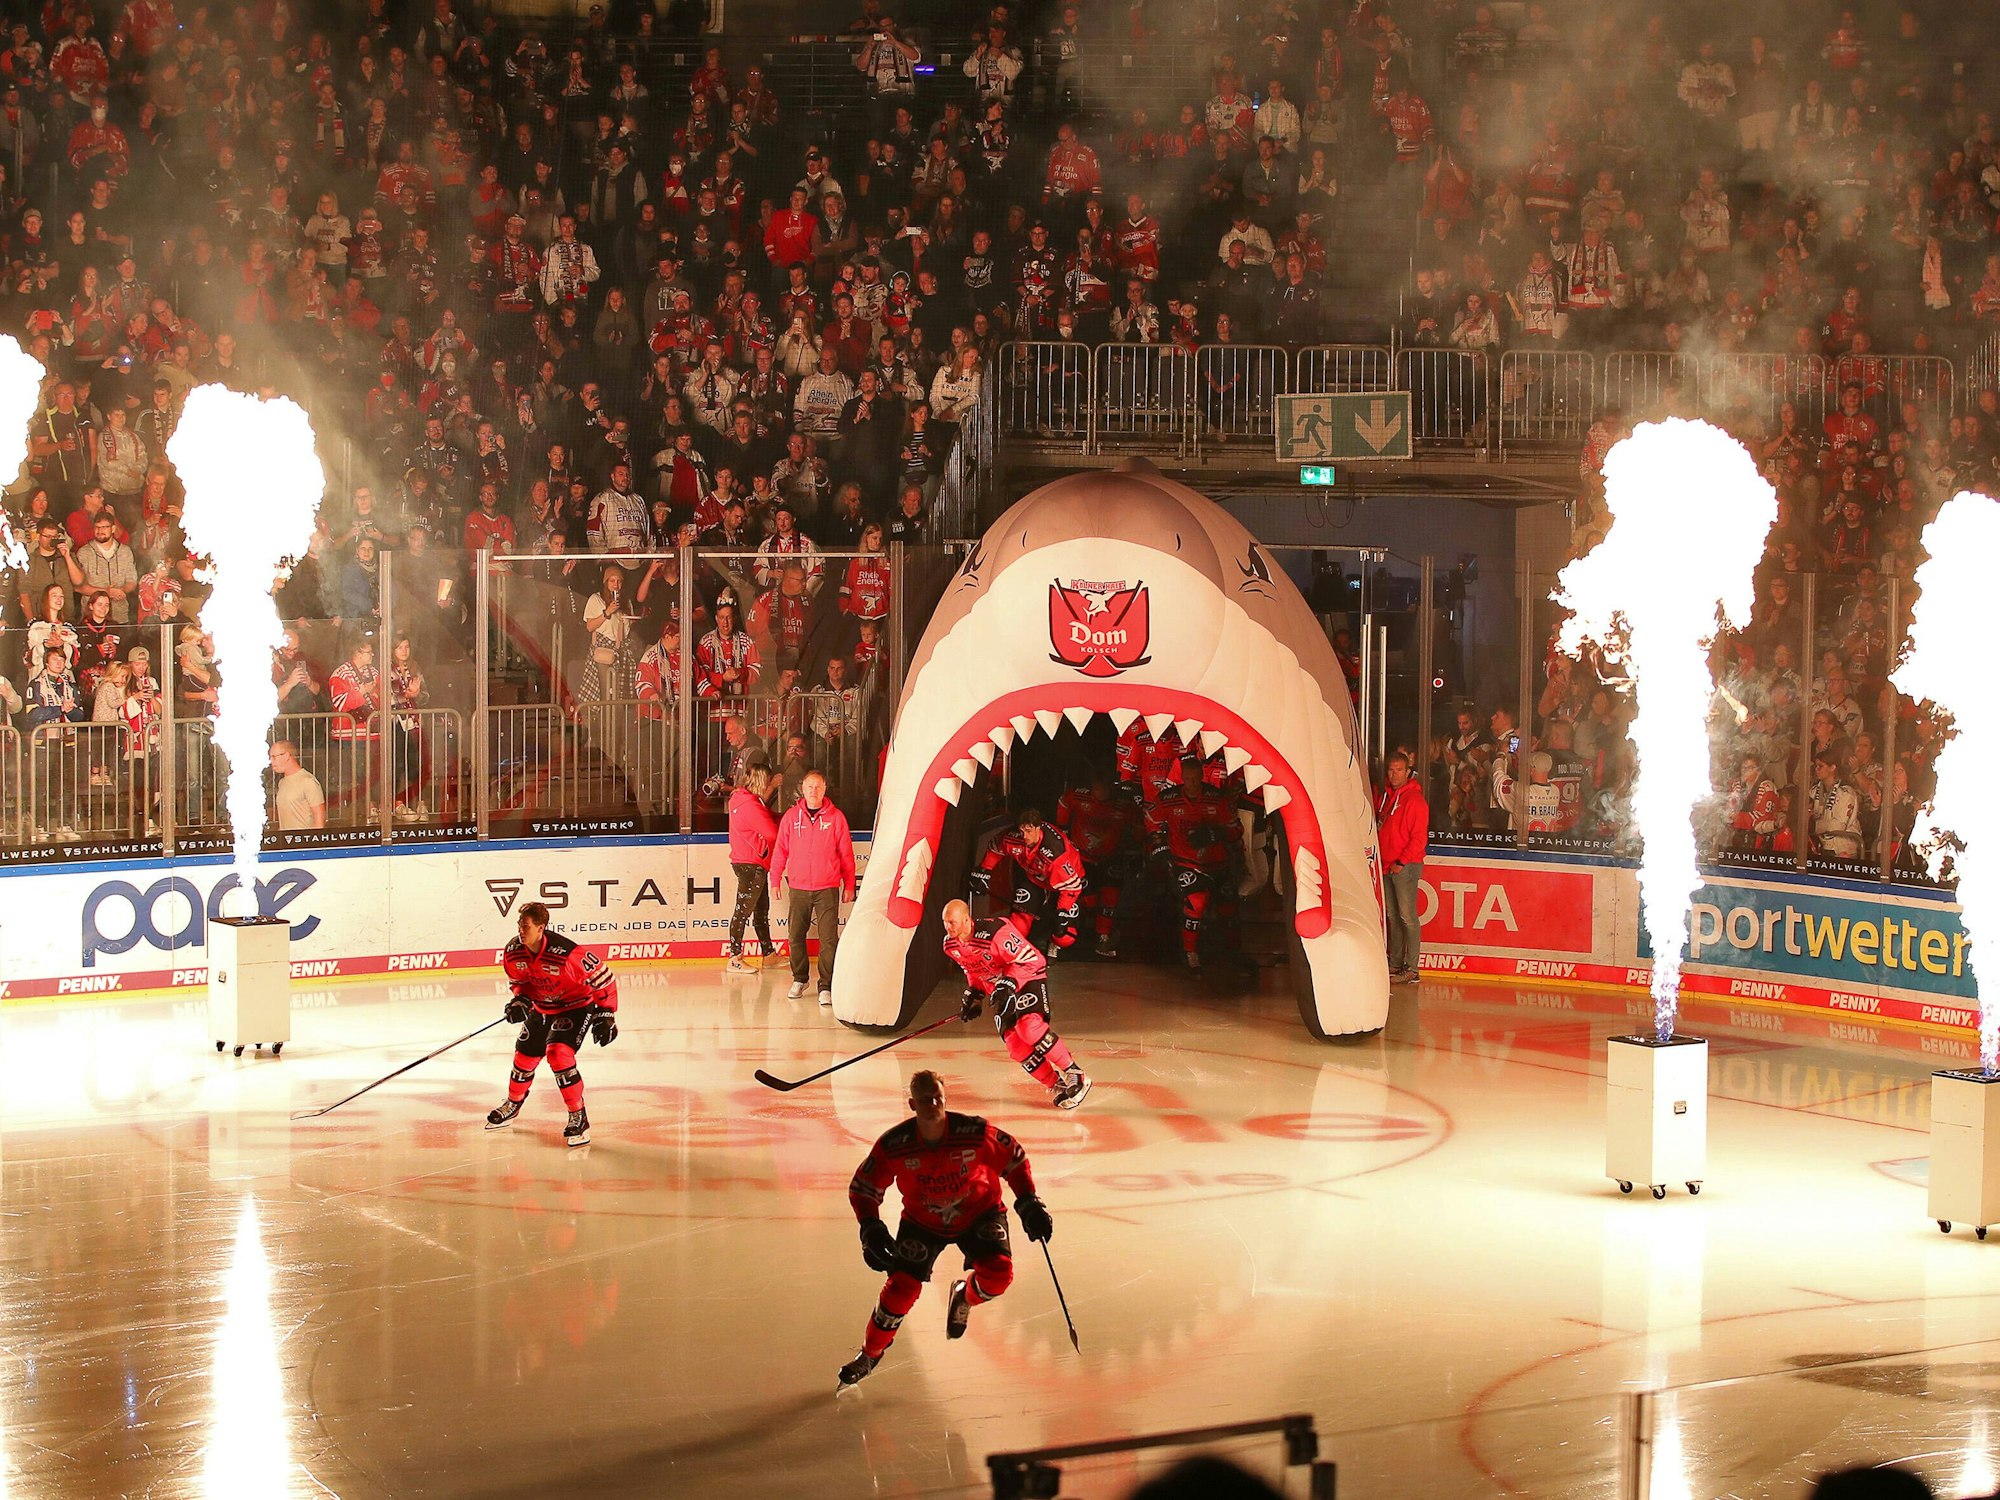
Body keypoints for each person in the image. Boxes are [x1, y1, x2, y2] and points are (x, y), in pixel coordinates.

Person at [838, 1069, 1052, 1389]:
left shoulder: (974, 1132)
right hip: (923, 1222)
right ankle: (870, 1354)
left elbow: (1013, 1157)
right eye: (925, 1099)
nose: (933, 1104)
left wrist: (1029, 1202)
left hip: (980, 1212)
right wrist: (870, 1226)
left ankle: (963, 1297)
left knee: (999, 1275)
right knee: (900, 1290)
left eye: (938, 1097)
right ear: (912, 1104)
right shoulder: (895, 1144)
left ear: (946, 1098)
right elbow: (863, 1187)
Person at [486, 901, 620, 1147]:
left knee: (558, 1055)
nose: (520, 930)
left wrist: (606, 1013)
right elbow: (520, 981)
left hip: (576, 1007)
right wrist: (520, 1000)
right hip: (542, 1008)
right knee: (523, 1057)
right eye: (519, 924)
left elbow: (604, 977)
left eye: (526, 925)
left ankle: (578, 1116)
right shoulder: (514, 950)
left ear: (541, 927)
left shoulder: (566, 952)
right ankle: (513, 1104)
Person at [942, 898, 1091, 1109]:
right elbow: (972, 968)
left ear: (967, 920)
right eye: (945, 922)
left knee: (1029, 1028)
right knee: (1015, 1046)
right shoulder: (950, 945)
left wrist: (1009, 982)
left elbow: (1032, 960)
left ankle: (1075, 1073)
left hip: (1027, 978)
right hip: (1002, 990)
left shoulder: (995, 932)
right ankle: (1055, 1084)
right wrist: (974, 994)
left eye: (952, 922)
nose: (948, 928)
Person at [770, 769, 855, 1004]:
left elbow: (846, 854)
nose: (814, 791)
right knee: (795, 935)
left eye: (818, 787)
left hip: (827, 887)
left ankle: (826, 985)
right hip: (798, 887)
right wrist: (775, 878)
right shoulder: (790, 817)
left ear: (825, 789)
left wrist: (849, 884)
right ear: (803, 789)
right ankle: (800, 978)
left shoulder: (836, 817)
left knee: (828, 939)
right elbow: (780, 851)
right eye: (809, 787)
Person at [969, 808, 1086, 956]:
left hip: (1064, 886)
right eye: (1022, 830)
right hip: (1034, 880)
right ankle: (1013, 954)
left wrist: (1062, 911)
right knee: (1019, 920)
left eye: (1029, 831)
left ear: (1039, 828)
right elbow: (996, 845)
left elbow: (1072, 886)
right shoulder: (1013, 837)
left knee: (1065, 936)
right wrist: (984, 871)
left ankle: (1054, 942)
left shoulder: (1056, 854)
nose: (1025, 836)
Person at [1056, 774, 1143, 957]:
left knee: (1111, 896)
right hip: (1082, 858)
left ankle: (1103, 936)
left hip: (1111, 857)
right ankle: (1073, 932)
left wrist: (1138, 845)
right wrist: (1062, 829)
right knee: (1089, 899)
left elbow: (1138, 823)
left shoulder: (1123, 804)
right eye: (1097, 788)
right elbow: (1064, 802)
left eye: (1104, 788)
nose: (1101, 792)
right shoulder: (1079, 795)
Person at [1375, 748, 1429, 983]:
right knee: (1393, 916)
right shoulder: (1386, 797)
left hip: (1403, 866)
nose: (1394, 774)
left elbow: (1418, 838)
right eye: (1391, 770)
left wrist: (1401, 861)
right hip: (1387, 865)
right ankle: (1395, 963)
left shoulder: (1415, 800)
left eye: (1399, 770)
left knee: (1407, 917)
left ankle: (1412, 967)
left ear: (1408, 772)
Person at [726, 762, 778, 974]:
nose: (768, 784)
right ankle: (735, 957)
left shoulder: (742, 799)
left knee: (760, 910)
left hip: (749, 862)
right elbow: (772, 832)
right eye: (766, 781)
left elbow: (766, 818)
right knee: (743, 911)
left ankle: (768, 954)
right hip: (751, 864)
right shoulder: (750, 805)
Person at [268, 739, 326, 830]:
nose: (271, 761)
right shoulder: (282, 783)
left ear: (286, 755)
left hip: (303, 841)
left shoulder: (308, 781)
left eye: (274, 757)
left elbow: (319, 817)